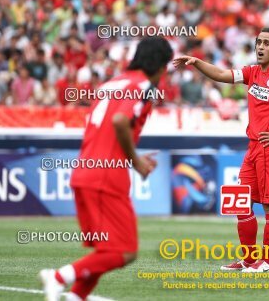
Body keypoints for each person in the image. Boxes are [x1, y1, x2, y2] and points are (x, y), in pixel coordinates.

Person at [39, 37, 173, 301]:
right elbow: (120, 121)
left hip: (86, 171)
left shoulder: (111, 84)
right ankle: (58, 277)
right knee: (125, 252)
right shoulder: (143, 86)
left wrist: (131, 155)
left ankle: (76, 297)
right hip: (106, 177)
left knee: (105, 250)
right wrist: (135, 161)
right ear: (159, 65)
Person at [173, 27, 269, 272]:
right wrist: (196, 62)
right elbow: (219, 73)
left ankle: (268, 262)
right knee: (241, 203)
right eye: (258, 42)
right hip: (253, 148)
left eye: (266, 44)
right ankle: (249, 260)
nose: (260, 47)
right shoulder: (252, 73)